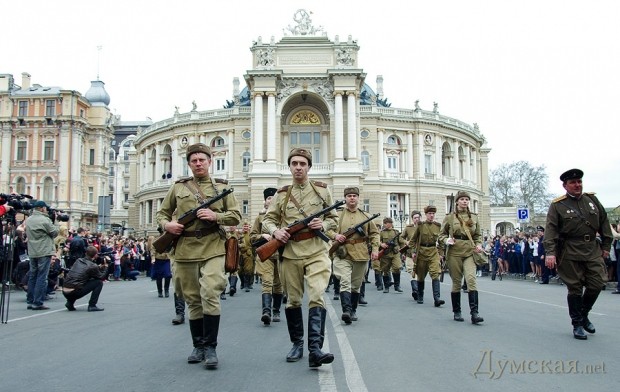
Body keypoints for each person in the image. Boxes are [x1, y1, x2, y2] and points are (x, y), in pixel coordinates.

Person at [156, 142, 241, 369]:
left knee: (211, 291)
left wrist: (216, 217)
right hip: (185, 247)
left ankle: (211, 347)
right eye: (194, 160)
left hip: (213, 245)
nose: (198, 163)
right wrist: (168, 225)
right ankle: (199, 345)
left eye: (202, 159)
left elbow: (235, 216)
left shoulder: (222, 187)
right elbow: (162, 213)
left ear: (210, 162)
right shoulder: (178, 188)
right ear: (189, 164)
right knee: (192, 298)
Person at [262, 148, 338, 368]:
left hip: (316, 251)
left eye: (302, 164)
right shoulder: (282, 194)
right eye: (294, 163)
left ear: (309, 167)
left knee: (317, 295)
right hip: (291, 253)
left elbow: (334, 218)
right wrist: (276, 231)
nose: (298, 167)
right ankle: (297, 344)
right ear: (289, 167)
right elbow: (269, 220)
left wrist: (323, 224)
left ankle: (315, 349)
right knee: (293, 300)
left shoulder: (323, 191)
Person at [544, 168, 612, 340]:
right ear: (565, 185)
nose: (577, 185)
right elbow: (550, 230)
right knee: (574, 288)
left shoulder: (592, 200)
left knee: (597, 283)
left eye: (579, 181)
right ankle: (577, 324)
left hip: (592, 249)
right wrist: (550, 253)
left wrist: (606, 245)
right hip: (569, 250)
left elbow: (604, 222)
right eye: (573, 182)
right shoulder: (558, 205)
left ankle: (583, 314)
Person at [328, 186, 379, 324]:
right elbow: (327, 230)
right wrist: (336, 235)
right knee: (344, 281)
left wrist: (375, 249)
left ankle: (353, 310)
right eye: (349, 195)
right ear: (345, 198)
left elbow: (374, 234)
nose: (351, 198)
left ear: (358, 198)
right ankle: (346, 310)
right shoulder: (337, 215)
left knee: (355, 285)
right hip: (342, 253)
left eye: (354, 195)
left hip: (361, 254)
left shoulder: (366, 216)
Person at [439, 191, 484, 324]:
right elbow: (441, 235)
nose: (465, 201)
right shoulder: (449, 218)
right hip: (454, 253)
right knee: (457, 282)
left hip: (469, 252)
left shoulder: (474, 217)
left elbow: (477, 236)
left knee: (471, 280)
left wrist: (479, 245)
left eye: (467, 199)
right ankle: (457, 311)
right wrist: (447, 240)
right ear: (457, 201)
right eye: (462, 199)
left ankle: (474, 313)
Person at [250, 187, 284, 325]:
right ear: (264, 201)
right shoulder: (260, 218)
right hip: (266, 255)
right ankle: (266, 312)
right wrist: (261, 236)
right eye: (268, 198)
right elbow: (251, 238)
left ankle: (276, 310)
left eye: (273, 198)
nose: (270, 201)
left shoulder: (284, 217)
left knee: (279, 284)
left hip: (281, 255)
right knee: (267, 283)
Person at [25, 200, 59, 310]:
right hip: (44, 250)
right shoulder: (45, 220)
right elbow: (55, 232)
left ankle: (30, 300)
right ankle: (38, 302)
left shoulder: (29, 219)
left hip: (32, 251)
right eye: (45, 208)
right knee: (42, 276)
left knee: (32, 275)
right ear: (41, 208)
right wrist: (56, 221)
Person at [409, 206, 444, 307]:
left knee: (435, 274)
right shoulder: (420, 225)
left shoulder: (437, 226)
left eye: (433, 213)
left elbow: (441, 242)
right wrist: (413, 252)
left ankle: (437, 298)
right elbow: (412, 241)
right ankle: (420, 296)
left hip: (433, 252)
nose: (431, 215)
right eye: (429, 213)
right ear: (426, 214)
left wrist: (441, 254)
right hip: (422, 253)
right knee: (421, 276)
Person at [62, 245, 107, 311]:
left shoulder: (78, 260)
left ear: (86, 253)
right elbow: (100, 276)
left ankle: (70, 303)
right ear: (95, 255)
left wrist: (99, 267)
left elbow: (85, 270)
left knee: (77, 280)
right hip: (74, 292)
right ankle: (92, 305)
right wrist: (106, 267)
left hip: (65, 290)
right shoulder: (92, 266)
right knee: (98, 282)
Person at [378, 217, 402, 293]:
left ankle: (397, 286)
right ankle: (386, 287)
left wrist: (400, 248)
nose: (384, 225)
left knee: (397, 267)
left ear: (390, 223)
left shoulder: (396, 232)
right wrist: (381, 244)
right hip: (385, 253)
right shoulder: (381, 233)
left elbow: (401, 242)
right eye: (384, 223)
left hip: (395, 252)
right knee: (385, 270)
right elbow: (377, 241)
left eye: (386, 223)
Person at [401, 210, 421, 299]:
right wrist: (406, 242)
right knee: (412, 271)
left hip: (421, 253)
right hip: (410, 254)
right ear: (412, 219)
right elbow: (401, 237)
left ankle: (418, 291)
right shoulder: (408, 228)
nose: (417, 219)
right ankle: (415, 290)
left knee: (419, 273)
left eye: (418, 217)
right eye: (415, 218)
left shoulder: (424, 227)